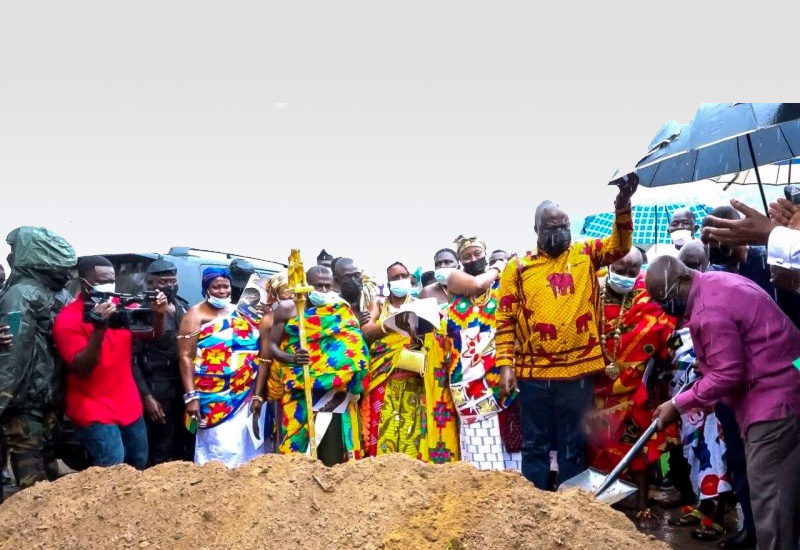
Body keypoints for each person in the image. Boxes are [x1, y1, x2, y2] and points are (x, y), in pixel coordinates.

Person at [496, 175, 638, 490]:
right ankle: (534, 506)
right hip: (534, 374)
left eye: (564, 226)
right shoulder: (517, 267)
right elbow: (505, 319)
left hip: (578, 374)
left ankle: (573, 512)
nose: (559, 232)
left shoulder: (586, 253)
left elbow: (620, 245)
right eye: (551, 228)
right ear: (536, 230)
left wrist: (623, 205)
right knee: (536, 444)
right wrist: (505, 366)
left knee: (573, 442)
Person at [650, 256, 800, 550]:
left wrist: (677, 404)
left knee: (771, 499)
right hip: (788, 383)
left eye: (664, 299)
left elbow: (728, 373)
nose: (664, 308)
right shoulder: (715, 283)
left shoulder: (709, 311)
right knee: (786, 494)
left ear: (681, 281)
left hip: (773, 403)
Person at [584, 247, 677, 522]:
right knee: (596, 448)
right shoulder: (590, 293)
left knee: (638, 447)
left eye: (632, 271)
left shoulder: (649, 298)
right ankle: (603, 500)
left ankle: (641, 501)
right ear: (610, 263)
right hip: (595, 390)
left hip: (634, 389)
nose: (625, 275)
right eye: (620, 269)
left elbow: (668, 334)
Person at [53, 256, 168, 470]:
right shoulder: (67, 319)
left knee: (138, 460)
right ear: (85, 283)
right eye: (102, 280)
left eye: (111, 279)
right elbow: (82, 368)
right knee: (112, 466)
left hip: (128, 403)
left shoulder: (123, 308)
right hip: (92, 406)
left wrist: (159, 316)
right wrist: (99, 329)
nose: (109, 284)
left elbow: (152, 336)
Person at [0, 227, 75, 495]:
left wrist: (2, 398)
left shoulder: (21, 295)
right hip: (52, 396)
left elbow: (13, 349)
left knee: (30, 473)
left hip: (23, 399)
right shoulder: (62, 295)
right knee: (47, 460)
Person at [269, 266, 369, 465]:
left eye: (327, 286)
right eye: (317, 286)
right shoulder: (288, 309)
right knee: (295, 454)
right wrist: (292, 358)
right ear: (305, 285)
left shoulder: (340, 309)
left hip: (333, 393)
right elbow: (271, 345)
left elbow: (355, 345)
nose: (323, 291)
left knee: (331, 454)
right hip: (299, 388)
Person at [443, 235, 520, 470]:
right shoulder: (456, 279)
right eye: (466, 256)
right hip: (467, 378)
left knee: (512, 442)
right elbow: (477, 285)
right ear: (459, 261)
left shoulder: (503, 284)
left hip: (501, 369)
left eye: (477, 254)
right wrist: (499, 266)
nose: (473, 259)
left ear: (484, 255)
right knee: (479, 445)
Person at [178, 267, 263, 467]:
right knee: (220, 446)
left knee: (245, 445)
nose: (222, 291)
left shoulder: (240, 312)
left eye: (226, 286)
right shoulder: (195, 315)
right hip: (213, 394)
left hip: (244, 392)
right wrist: (191, 398)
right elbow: (185, 356)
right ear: (206, 288)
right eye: (216, 287)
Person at [359, 262, 428, 458]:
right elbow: (366, 331)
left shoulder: (418, 305)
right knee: (381, 431)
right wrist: (390, 326)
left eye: (403, 276)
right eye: (395, 277)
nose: (400, 280)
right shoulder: (379, 305)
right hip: (384, 378)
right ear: (388, 282)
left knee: (411, 434)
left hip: (413, 380)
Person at [131, 259, 193, 466]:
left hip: (183, 388)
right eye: (163, 281)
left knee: (185, 443)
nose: (169, 286)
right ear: (151, 283)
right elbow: (133, 359)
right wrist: (147, 398)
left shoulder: (184, 307)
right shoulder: (141, 311)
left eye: (172, 280)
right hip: (157, 389)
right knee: (160, 447)